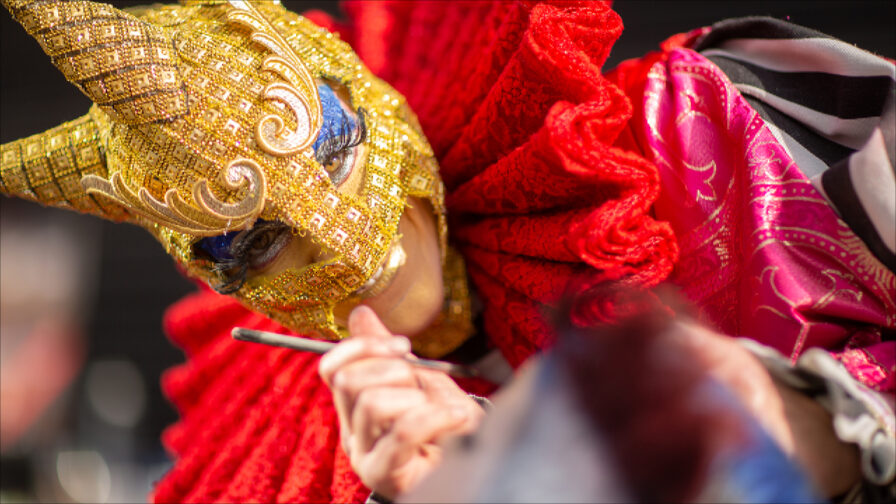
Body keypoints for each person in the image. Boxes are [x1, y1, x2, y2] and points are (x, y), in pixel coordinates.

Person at [1, 0, 892, 502]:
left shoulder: (717, 133)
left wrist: (822, 428)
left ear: (373, 100)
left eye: (335, 152)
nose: (354, 255)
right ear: (221, 283)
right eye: (259, 242)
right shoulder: (324, 468)